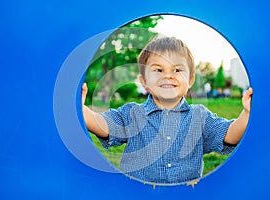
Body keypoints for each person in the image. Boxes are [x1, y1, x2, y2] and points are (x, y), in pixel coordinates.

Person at [81, 37, 253, 185]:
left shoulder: (200, 117)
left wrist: (246, 114)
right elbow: (101, 125)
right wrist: (79, 108)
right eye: (158, 70)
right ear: (144, 81)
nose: (168, 75)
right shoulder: (132, 114)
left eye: (177, 70)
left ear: (191, 80)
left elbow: (230, 134)